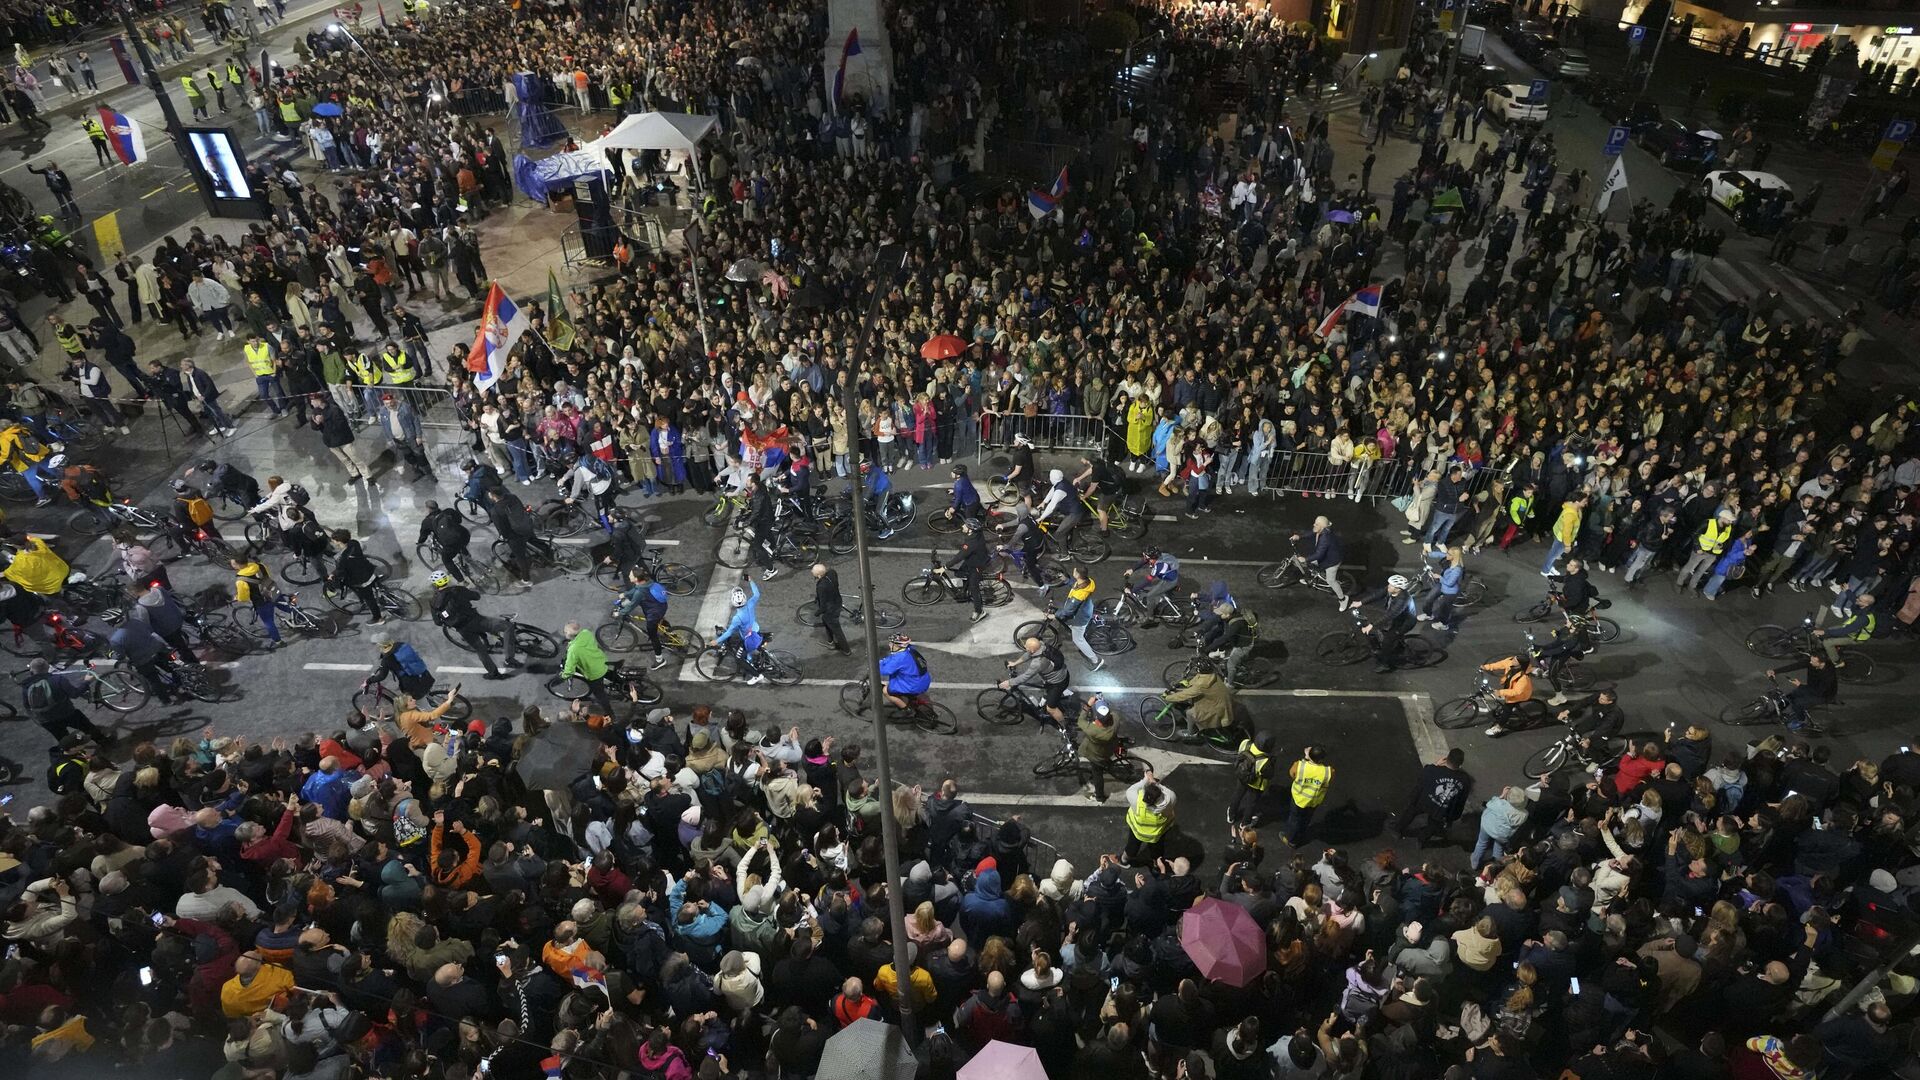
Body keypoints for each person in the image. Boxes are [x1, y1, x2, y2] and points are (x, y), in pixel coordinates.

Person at [429, 572, 516, 679]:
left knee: (480, 650)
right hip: (476, 620)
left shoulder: (433, 602)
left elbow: (437, 622)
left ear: (435, 584)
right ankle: (510, 659)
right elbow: (477, 596)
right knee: (507, 627)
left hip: (462, 628)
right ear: (447, 579)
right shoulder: (458, 590)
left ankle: (493, 673)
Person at [20, 655, 109, 745]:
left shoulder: (26, 687)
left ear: (31, 670)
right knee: (87, 728)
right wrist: (86, 681)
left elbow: (27, 706)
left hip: (46, 721)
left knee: (64, 739)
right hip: (67, 713)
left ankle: (74, 751)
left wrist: (38, 720)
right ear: (48, 668)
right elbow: (74, 694)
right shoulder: (57, 679)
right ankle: (102, 741)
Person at [1395, 747, 1473, 844]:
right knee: (1433, 824)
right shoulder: (1465, 780)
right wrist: (1452, 817)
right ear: (1460, 765)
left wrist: (1436, 764)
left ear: (1447, 759)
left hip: (1424, 800)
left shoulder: (1433, 770)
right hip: (1441, 808)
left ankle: (1398, 829)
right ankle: (1422, 840)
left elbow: (1423, 775)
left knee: (1411, 812)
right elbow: (1461, 801)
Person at [999, 635, 1071, 727]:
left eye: (1026, 647)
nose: (1025, 647)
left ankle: (1065, 726)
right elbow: (1028, 654)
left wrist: (1009, 682)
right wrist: (1015, 663)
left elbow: (1026, 676)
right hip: (1063, 673)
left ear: (1033, 650)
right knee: (1045, 689)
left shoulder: (1037, 663)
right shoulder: (1041, 645)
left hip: (1058, 683)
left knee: (1051, 709)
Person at [612, 567, 672, 670]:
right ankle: (669, 633)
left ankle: (660, 660)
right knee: (660, 620)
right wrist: (625, 594)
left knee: (653, 636)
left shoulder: (640, 592)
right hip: (661, 606)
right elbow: (635, 589)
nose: (629, 576)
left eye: (631, 575)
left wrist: (620, 613)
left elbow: (631, 605)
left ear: (636, 579)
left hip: (654, 613)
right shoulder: (646, 582)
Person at [1360, 574, 1420, 673]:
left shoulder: (1403, 600)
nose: (1388, 586)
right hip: (1397, 618)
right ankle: (1398, 645)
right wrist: (1361, 602)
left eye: (1391, 585)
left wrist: (1372, 625)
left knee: (1387, 642)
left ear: (1398, 589)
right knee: (1384, 632)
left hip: (1405, 623)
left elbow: (1390, 615)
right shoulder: (1392, 590)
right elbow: (1378, 594)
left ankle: (1385, 664)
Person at [1766, 653, 1838, 733]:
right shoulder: (1813, 662)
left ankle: (1802, 721)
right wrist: (1775, 671)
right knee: (1790, 697)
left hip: (1823, 695)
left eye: (1812, 661)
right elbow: (1796, 665)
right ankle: (1776, 712)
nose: (1810, 662)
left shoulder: (1828, 675)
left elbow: (1818, 692)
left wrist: (1800, 685)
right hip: (1811, 687)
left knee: (1797, 704)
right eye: (1810, 660)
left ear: (1821, 663)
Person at [715, 579, 770, 685]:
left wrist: (716, 641)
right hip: (756, 629)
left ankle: (756, 675)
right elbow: (757, 594)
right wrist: (751, 581)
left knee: (739, 658)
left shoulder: (737, 618)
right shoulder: (750, 604)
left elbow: (729, 633)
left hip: (748, 638)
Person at [327, 529, 386, 624]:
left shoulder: (342, 559)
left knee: (369, 599)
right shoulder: (354, 543)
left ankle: (378, 618)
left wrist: (333, 576)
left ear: (339, 541)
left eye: (334, 540)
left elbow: (341, 572)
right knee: (376, 586)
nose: (332, 541)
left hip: (362, 579)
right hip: (370, 570)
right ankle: (385, 596)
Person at [1292, 516, 1350, 610]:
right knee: (1310, 562)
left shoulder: (1325, 538)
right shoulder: (1322, 529)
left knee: (1331, 581)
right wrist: (1299, 536)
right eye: (1315, 523)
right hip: (1328, 554)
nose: (1314, 525)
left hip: (1332, 561)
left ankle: (1343, 599)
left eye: (1317, 524)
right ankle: (1310, 579)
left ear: (1322, 527)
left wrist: (1305, 559)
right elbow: (1313, 532)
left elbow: (1319, 555)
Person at [1121, 768, 1176, 865]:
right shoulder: (1170, 799)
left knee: (1132, 846)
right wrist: (1154, 782)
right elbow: (1168, 792)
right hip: (1158, 833)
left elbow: (1133, 788)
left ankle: (1124, 861)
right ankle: (1157, 865)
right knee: (1157, 849)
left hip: (1138, 831)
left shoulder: (1134, 798)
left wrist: (1146, 779)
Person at [1163, 668, 1235, 739]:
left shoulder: (1201, 684)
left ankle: (1191, 733)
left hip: (1216, 708)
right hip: (1223, 702)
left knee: (1189, 713)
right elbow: (1198, 677)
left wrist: (1168, 697)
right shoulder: (1212, 675)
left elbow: (1185, 694)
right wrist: (1188, 683)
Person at [1479, 655, 1541, 737]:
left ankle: (1499, 727)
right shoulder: (1511, 662)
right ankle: (1514, 707)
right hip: (1510, 688)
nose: (1512, 660)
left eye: (1515, 660)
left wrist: (1500, 692)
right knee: (1506, 701)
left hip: (1519, 695)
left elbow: (1516, 692)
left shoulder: (1524, 678)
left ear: (1520, 664)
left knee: (1507, 709)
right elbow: (1501, 664)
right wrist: (1486, 667)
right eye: (1514, 658)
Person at [1283, 746, 1333, 846]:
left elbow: (1292, 774)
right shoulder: (1328, 771)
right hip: (1313, 802)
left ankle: (1290, 840)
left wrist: (1306, 759)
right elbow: (1328, 781)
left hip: (1298, 799)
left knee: (1294, 819)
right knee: (1306, 819)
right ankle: (1300, 836)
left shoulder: (1299, 765)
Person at [560, 621, 613, 710]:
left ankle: (610, 712)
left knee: (600, 694)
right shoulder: (586, 633)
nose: (564, 633)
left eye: (565, 632)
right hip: (601, 660)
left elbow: (569, 669)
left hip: (594, 673)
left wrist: (564, 676)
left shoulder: (573, 650)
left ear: (569, 635)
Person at [1230, 731, 1278, 828]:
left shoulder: (1245, 743)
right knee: (1251, 804)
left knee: (1237, 795)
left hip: (1242, 777)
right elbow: (1269, 775)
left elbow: (1239, 753)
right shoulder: (1265, 761)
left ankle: (1231, 815)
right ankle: (1245, 823)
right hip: (1255, 785)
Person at [1076, 694, 1119, 803]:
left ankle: (1099, 796)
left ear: (1097, 717)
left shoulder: (1092, 730)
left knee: (1097, 774)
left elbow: (1081, 721)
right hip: (1109, 748)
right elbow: (1112, 713)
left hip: (1097, 756)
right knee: (1105, 760)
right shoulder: (1115, 719)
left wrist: (1088, 706)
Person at [1125, 546, 1181, 627]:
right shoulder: (1158, 556)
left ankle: (1150, 618)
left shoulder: (1159, 566)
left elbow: (1148, 580)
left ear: (1153, 557)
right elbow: (1144, 560)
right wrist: (1132, 569)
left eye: (1147, 556)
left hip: (1169, 581)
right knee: (1148, 588)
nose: (1145, 557)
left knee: (1150, 596)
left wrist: (1133, 590)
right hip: (1171, 574)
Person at [877, 632, 932, 712]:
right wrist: (882, 662)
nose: (889, 645)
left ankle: (906, 710)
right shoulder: (909, 650)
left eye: (891, 643)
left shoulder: (900, 658)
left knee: (886, 691)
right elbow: (891, 659)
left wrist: (875, 666)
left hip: (914, 685)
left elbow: (884, 670)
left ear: (898, 645)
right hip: (923, 680)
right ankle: (907, 701)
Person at [370, 632, 435, 698]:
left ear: (381, 646)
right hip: (425, 675)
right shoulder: (401, 644)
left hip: (413, 686)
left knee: (411, 702)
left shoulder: (387, 659)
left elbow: (382, 676)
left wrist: (369, 681)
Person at [810, 562, 850, 654]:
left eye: (814, 572)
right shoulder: (832, 573)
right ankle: (830, 642)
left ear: (819, 575)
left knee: (837, 630)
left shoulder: (821, 586)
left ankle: (846, 650)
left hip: (831, 610)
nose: (812, 572)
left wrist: (817, 613)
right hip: (837, 602)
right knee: (827, 622)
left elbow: (823, 605)